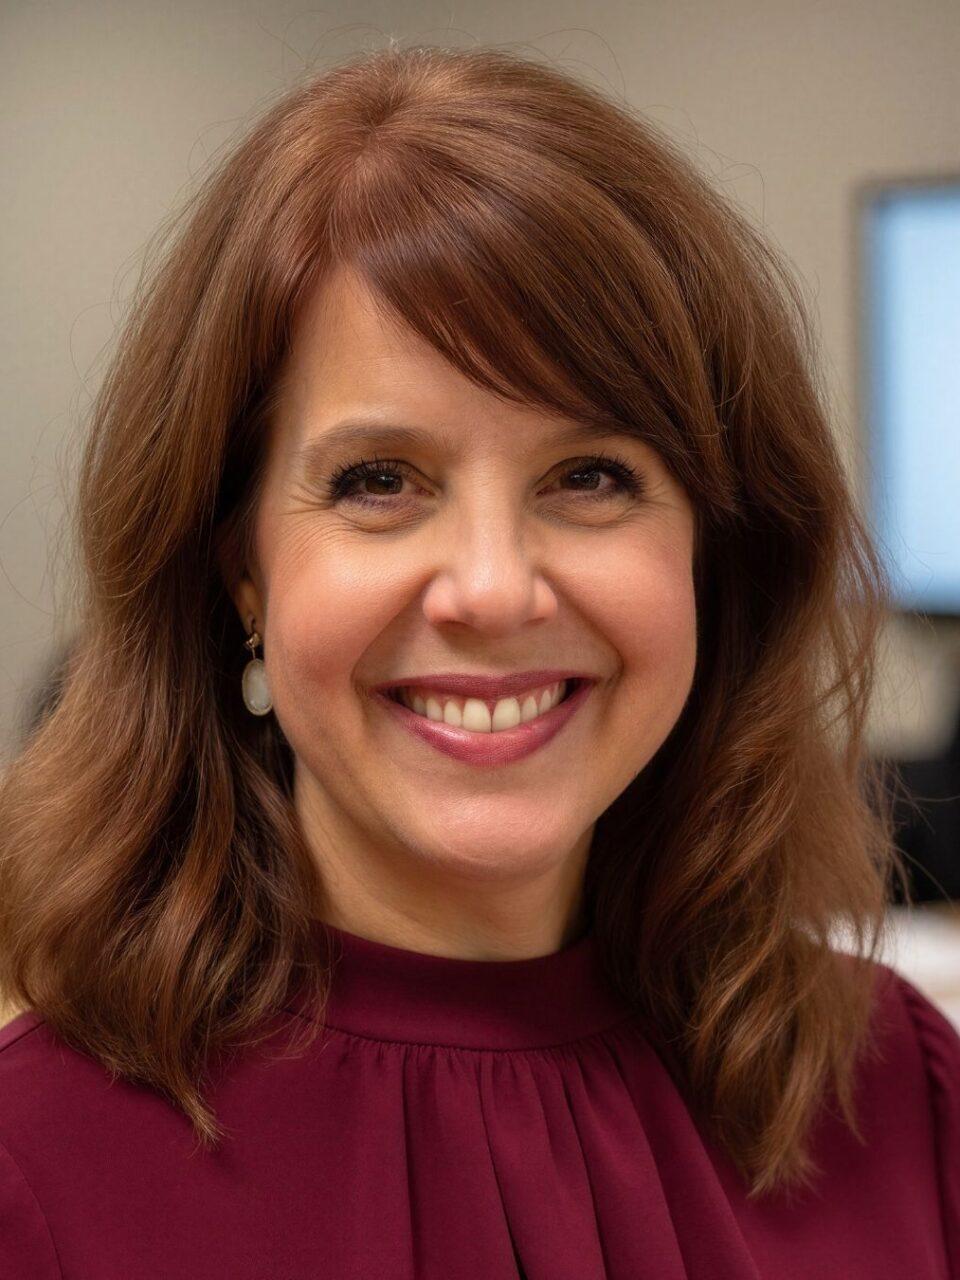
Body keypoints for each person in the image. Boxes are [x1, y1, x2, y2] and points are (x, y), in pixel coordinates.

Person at [0, 43, 956, 1280]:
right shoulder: (38, 1170)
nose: (495, 589)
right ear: (240, 567)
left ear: (714, 553)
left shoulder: (896, 1092)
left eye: (590, 475)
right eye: (379, 481)